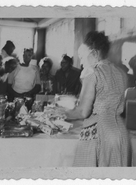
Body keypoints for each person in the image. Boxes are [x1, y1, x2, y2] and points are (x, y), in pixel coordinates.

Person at [56, 31, 131, 167]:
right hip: (121, 133)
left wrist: (60, 114)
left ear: (95, 54)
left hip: (99, 134)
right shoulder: (120, 73)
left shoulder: (92, 73)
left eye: (83, 57)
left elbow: (83, 112)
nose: (82, 62)